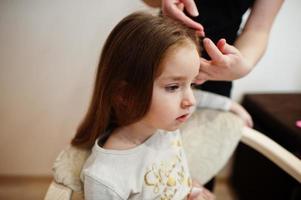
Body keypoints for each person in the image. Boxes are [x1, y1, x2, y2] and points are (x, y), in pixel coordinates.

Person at [71, 12, 252, 200]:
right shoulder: (105, 178)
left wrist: (190, 187)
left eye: (192, 84)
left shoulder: (163, 126)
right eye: (173, 87)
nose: (191, 100)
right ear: (125, 94)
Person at [144, 0, 284, 97]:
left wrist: (244, 65)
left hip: (218, 73)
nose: (190, 102)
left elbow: (259, 29)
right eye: (173, 88)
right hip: (159, 57)